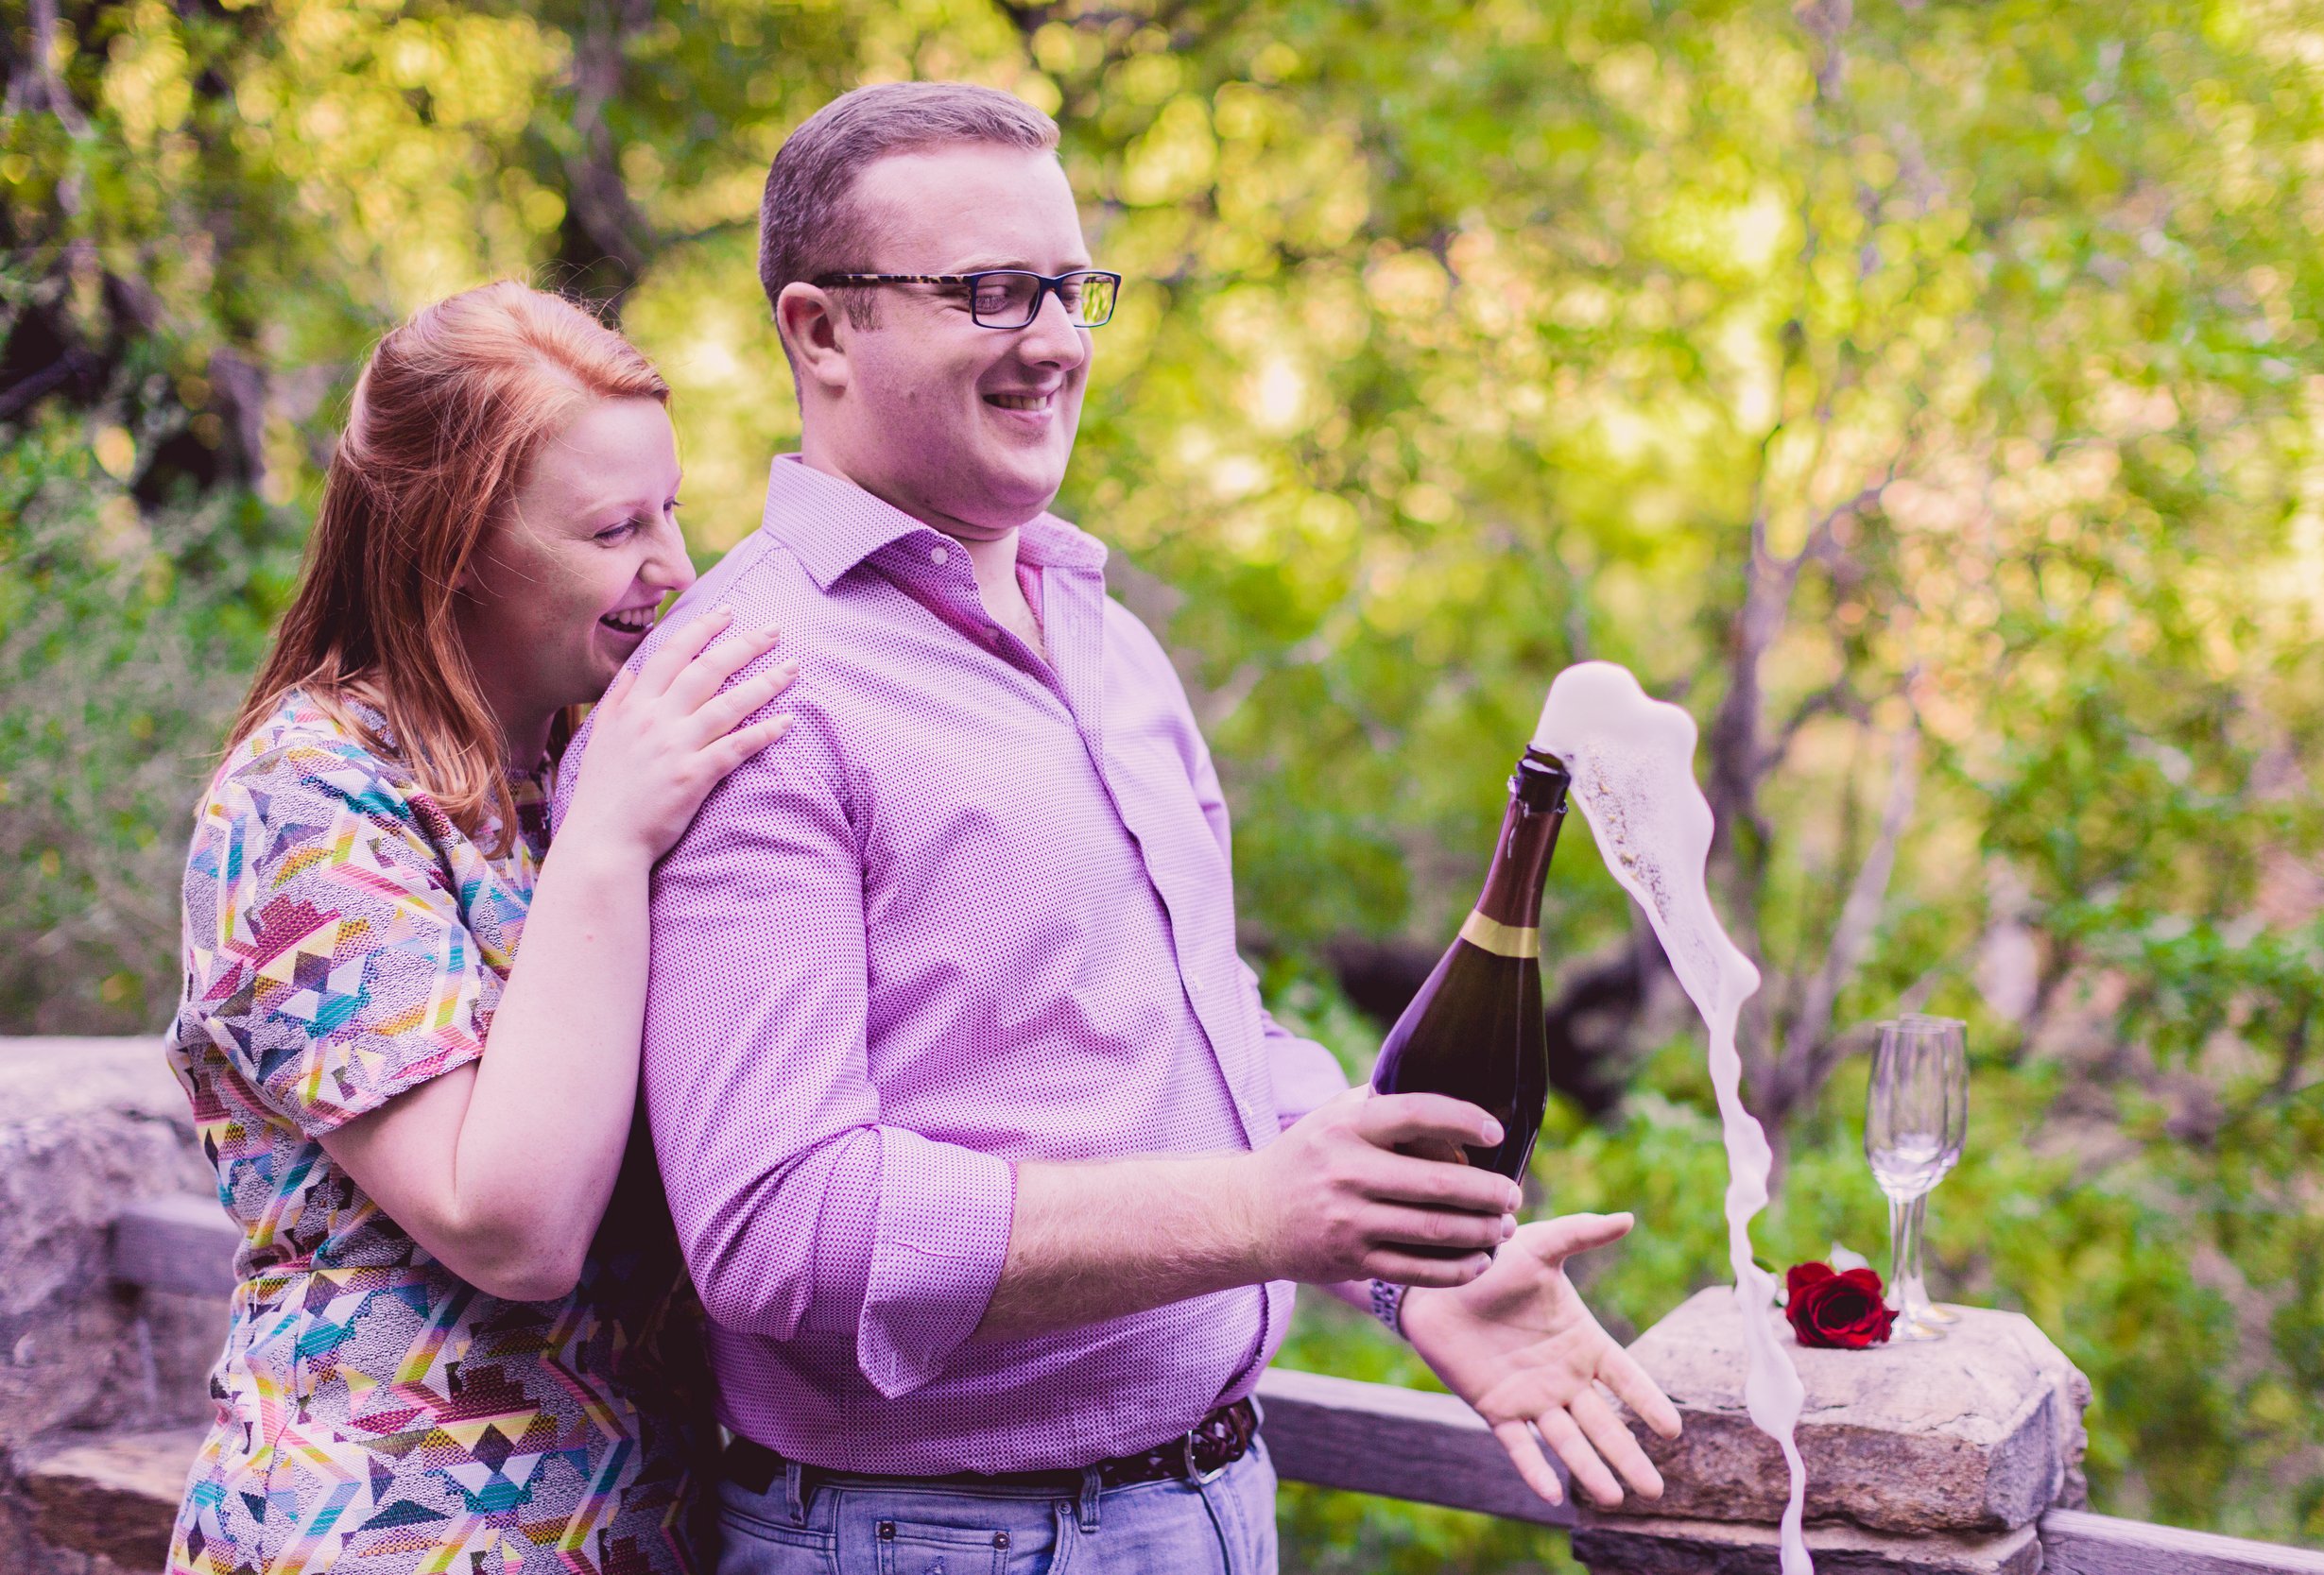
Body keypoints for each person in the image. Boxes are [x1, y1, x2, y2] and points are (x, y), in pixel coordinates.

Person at [557, 83, 1680, 1575]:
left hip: (1212, 1505)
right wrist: (1257, 1214)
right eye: (989, 292)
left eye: (1073, 289)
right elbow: (778, 1227)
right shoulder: (750, 687)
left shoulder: (1104, 637)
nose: (1058, 341)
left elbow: (1190, 1036)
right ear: (819, 332)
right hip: (935, 1542)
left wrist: (1404, 1263)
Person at [166, 282, 795, 1575]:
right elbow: (508, 1224)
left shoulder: (593, 759)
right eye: (615, 527)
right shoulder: (308, 796)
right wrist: (612, 841)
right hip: (388, 1533)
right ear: (451, 544)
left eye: (670, 509)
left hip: (645, 1527)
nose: (673, 569)